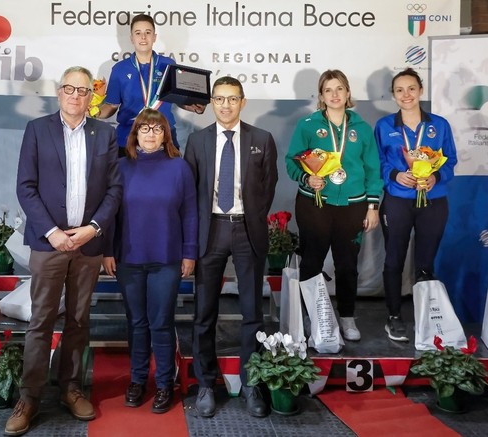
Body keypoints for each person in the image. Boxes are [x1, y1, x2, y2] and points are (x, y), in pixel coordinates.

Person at [6, 66, 121, 436]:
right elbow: (26, 187)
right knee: (40, 322)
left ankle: (71, 388)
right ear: (59, 93)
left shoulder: (105, 134)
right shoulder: (37, 130)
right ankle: (30, 397)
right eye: (69, 89)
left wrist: (93, 229)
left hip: (88, 244)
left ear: (92, 97)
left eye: (83, 91)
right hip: (48, 243)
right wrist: (53, 233)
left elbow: (114, 191)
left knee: (78, 321)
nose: (76, 95)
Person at [184, 76, 278, 418]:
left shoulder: (262, 139)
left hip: (246, 231)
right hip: (210, 232)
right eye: (219, 99)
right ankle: (206, 383)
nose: (226, 105)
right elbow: (190, 192)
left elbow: (267, 188)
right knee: (204, 313)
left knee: (252, 312)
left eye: (232, 99)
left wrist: (249, 218)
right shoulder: (197, 141)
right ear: (211, 101)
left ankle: (252, 382)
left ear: (243, 101)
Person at [102, 109, 198, 414]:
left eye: (157, 129)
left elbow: (191, 213)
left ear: (165, 135)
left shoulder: (179, 168)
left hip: (167, 259)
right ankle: (138, 379)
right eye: (145, 129)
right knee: (137, 323)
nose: (151, 134)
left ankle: (165, 383)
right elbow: (109, 213)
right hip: (128, 259)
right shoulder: (121, 167)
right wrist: (106, 250)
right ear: (135, 134)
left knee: (161, 322)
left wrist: (190, 253)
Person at [285, 69, 383, 342]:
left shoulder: (362, 129)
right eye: (329, 90)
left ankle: (347, 317)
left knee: (348, 264)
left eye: (340, 89)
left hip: (353, 205)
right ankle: (309, 316)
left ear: (348, 93)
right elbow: (292, 161)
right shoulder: (308, 124)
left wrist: (373, 206)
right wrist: (307, 176)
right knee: (312, 261)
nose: (335, 95)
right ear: (321, 96)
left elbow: (373, 169)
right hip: (315, 203)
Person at [374, 67, 457, 342]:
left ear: (420, 90)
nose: (406, 94)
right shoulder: (385, 126)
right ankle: (394, 316)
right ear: (393, 95)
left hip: (433, 201)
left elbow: (451, 160)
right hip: (398, 200)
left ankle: (426, 318)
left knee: (425, 263)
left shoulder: (439, 125)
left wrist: (435, 176)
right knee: (394, 258)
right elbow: (378, 162)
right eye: (399, 90)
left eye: (411, 88)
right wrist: (395, 175)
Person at [95, 14, 204, 155]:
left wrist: (192, 106)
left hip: (164, 137)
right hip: (129, 138)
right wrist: (94, 112)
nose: (143, 37)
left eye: (148, 32)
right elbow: (111, 106)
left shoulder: (168, 65)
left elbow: (177, 99)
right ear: (131, 38)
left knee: (169, 177)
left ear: (154, 37)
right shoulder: (120, 69)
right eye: (138, 33)